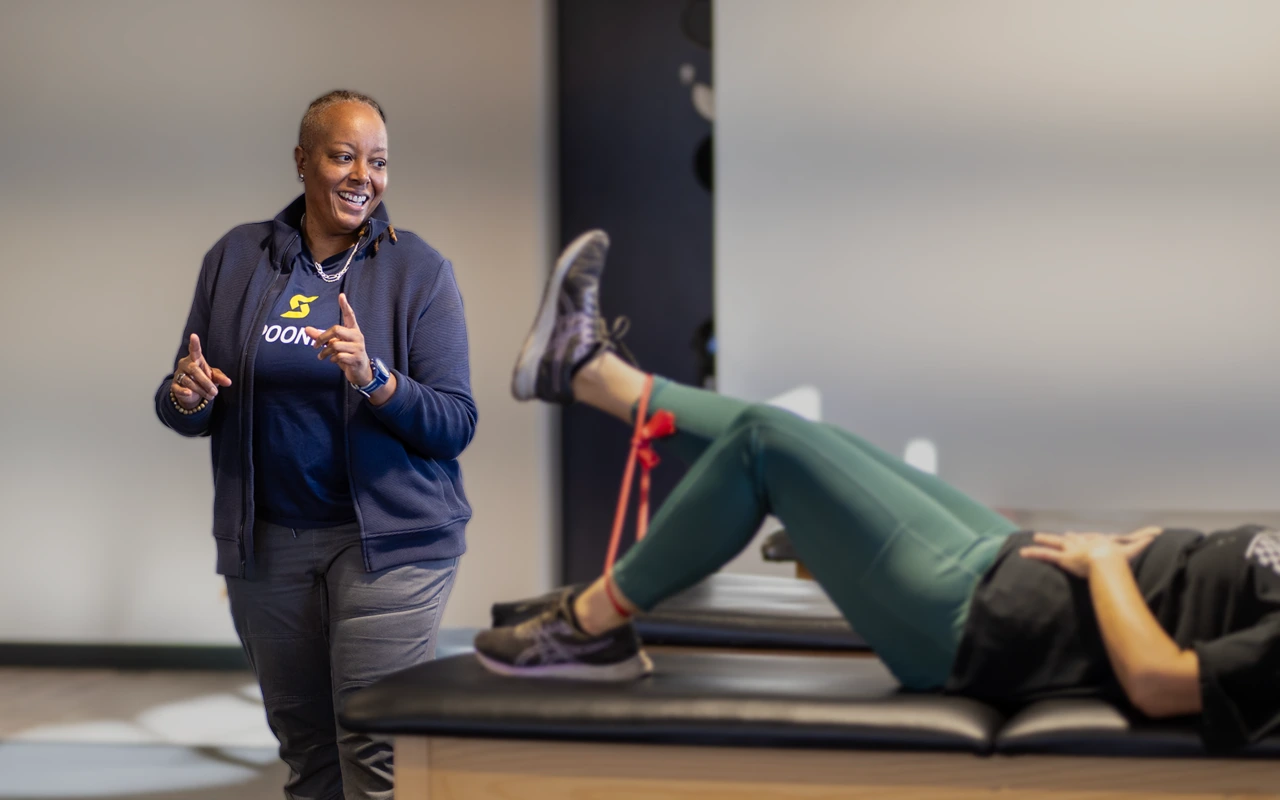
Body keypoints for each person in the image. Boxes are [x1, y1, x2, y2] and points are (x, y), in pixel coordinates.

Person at [476, 230, 1280, 753]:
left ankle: (587, 628)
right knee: (811, 439)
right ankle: (583, 371)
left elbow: (1161, 681)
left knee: (769, 446)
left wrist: (1107, 563)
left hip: (981, 624)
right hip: (1008, 564)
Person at [155, 90, 476, 799]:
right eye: (343, 155)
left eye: (379, 161)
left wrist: (376, 377)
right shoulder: (237, 258)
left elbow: (455, 421)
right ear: (303, 162)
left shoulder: (418, 270)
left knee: (374, 752)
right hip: (268, 545)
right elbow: (188, 397)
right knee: (307, 754)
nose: (364, 175)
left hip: (389, 547)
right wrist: (185, 396)